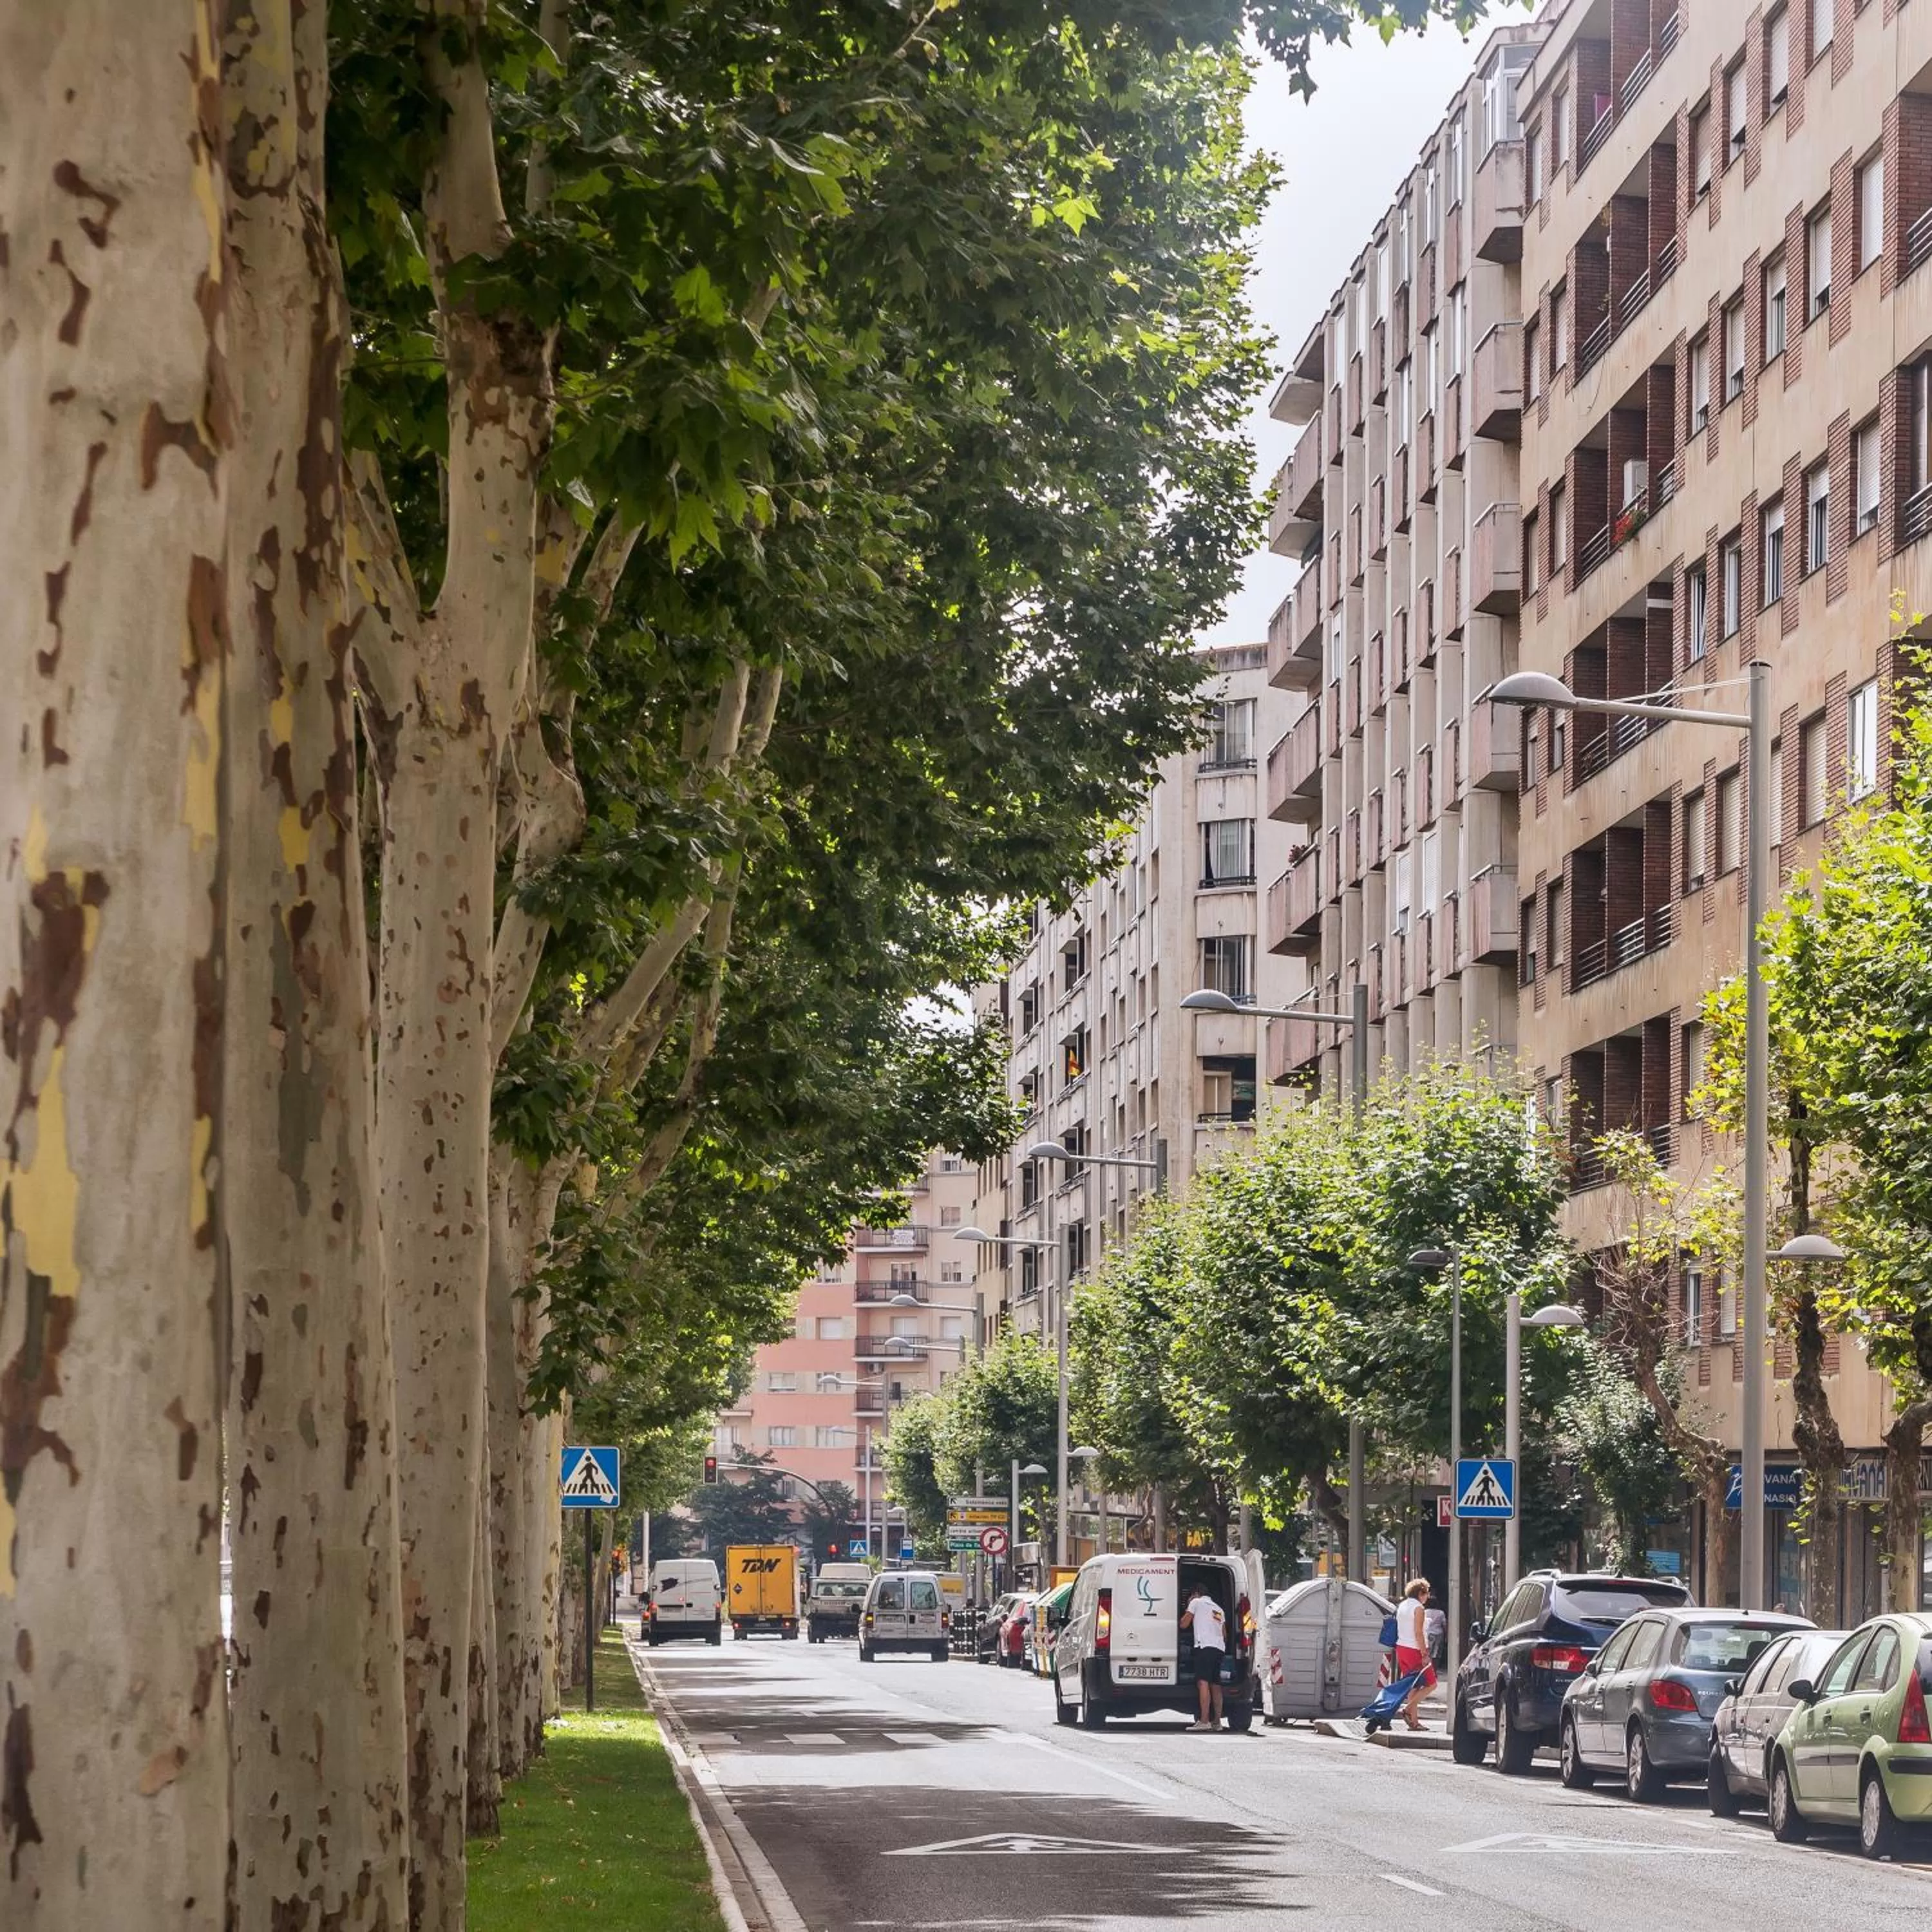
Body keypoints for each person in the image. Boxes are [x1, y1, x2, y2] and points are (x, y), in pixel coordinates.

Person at [1183, 1584, 1227, 1731]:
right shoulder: (1218, 1609)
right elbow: (1224, 1634)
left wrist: (1189, 1607)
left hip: (1204, 1647)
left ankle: (1204, 1721)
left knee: (1203, 1682)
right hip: (1219, 1648)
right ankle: (1217, 1722)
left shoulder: (1196, 1602)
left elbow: (1184, 1624)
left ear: (1196, 1593)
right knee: (1216, 1684)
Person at [1395, 1578, 1437, 1733]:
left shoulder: (1402, 1606)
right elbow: (1418, 1633)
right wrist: (1424, 1653)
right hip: (1415, 1650)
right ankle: (1407, 1709)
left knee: (1414, 1686)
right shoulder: (1419, 1608)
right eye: (1426, 1593)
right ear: (1420, 1593)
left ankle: (1414, 1722)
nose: (1427, 1597)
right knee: (1432, 1684)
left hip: (1402, 1648)